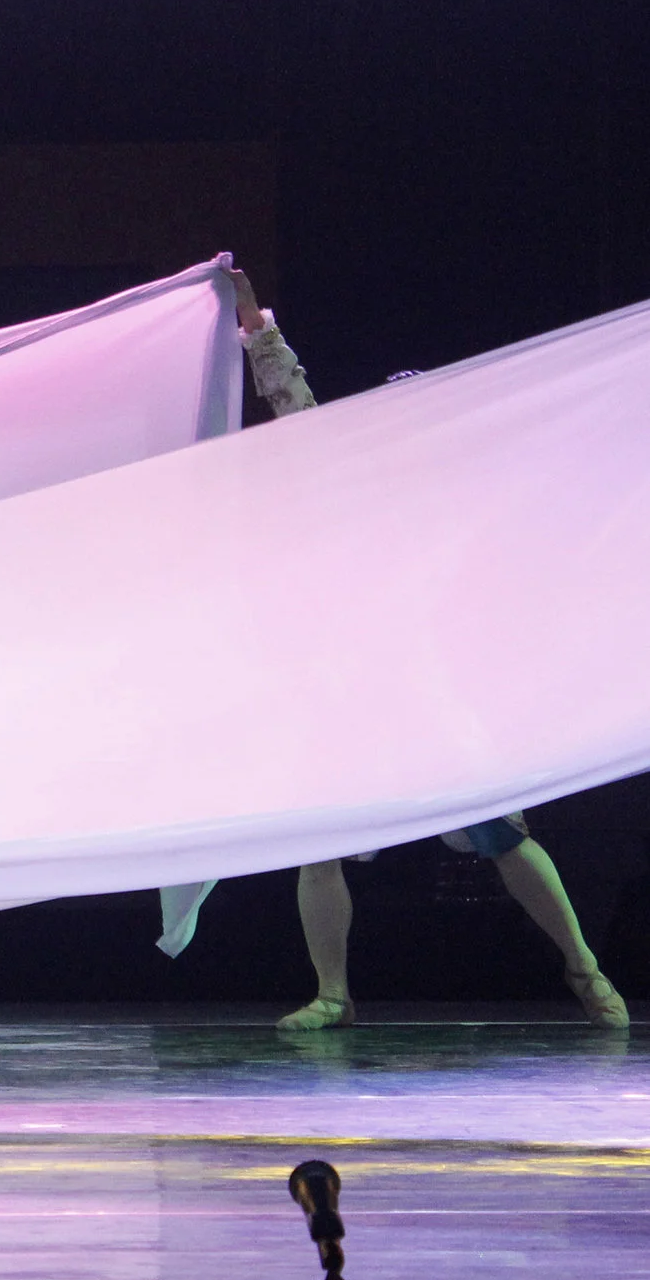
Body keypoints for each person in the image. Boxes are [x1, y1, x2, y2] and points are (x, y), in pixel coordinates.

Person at [225, 271, 630, 1032]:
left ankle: (584, 966)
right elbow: (292, 401)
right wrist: (257, 326)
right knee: (321, 842)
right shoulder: (343, 481)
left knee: (503, 832)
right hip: (348, 682)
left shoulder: (457, 497)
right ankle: (335, 993)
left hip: (424, 681)